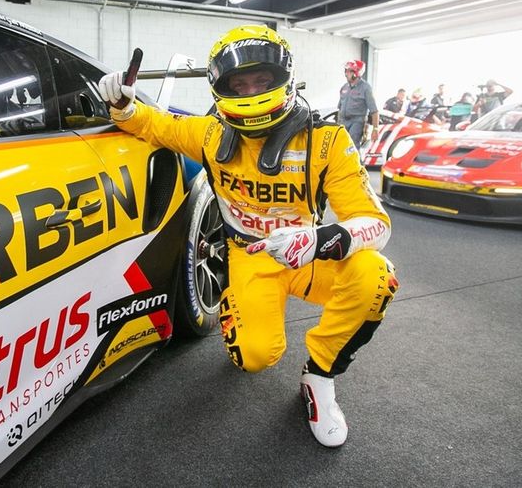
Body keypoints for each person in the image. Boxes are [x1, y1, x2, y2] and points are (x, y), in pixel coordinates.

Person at [98, 25, 398, 448]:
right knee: (253, 358)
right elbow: (154, 124)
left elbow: (376, 223)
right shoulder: (208, 134)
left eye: (262, 80)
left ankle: (320, 377)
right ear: (221, 88)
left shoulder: (329, 141)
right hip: (250, 258)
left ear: (284, 78)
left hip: (308, 257)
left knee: (376, 275)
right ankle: (237, 302)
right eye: (239, 84)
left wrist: (321, 238)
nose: (252, 92)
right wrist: (122, 105)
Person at [337, 59, 379, 150]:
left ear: (356, 73)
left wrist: (375, 129)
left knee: (352, 147)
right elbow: (340, 108)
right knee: (341, 147)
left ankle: (358, 164)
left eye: (349, 71)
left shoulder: (366, 88)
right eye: (346, 71)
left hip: (357, 122)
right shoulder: (344, 87)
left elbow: (374, 111)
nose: (346, 74)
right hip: (343, 121)